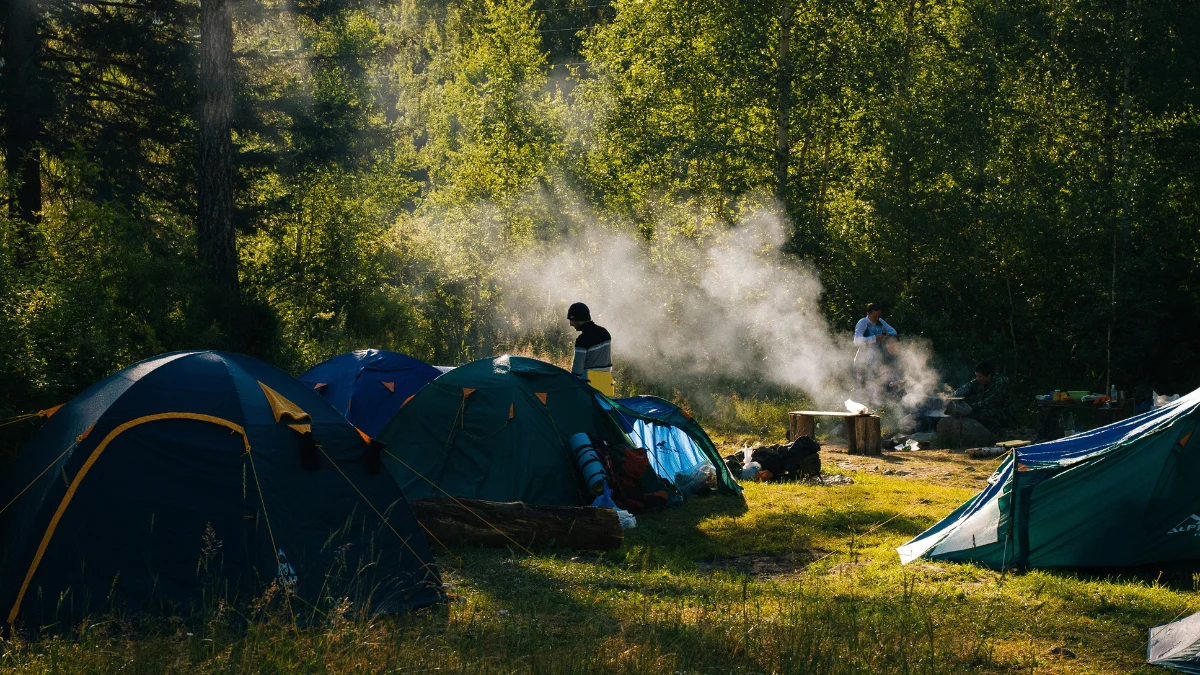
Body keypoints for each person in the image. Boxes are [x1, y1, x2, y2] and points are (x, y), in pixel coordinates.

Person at [852, 302, 898, 400]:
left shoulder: (880, 322)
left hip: (876, 361)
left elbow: (893, 332)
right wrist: (874, 338)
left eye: (878, 316)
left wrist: (885, 335)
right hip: (862, 361)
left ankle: (876, 406)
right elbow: (857, 341)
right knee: (861, 388)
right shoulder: (862, 323)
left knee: (876, 387)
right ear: (868, 313)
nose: (877, 319)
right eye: (874, 316)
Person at [952, 361, 1014, 432]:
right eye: (976, 376)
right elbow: (965, 388)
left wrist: (968, 407)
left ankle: (998, 431)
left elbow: (990, 401)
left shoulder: (1000, 383)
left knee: (977, 414)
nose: (977, 378)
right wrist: (951, 397)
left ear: (989, 375)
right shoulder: (980, 381)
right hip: (986, 409)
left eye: (980, 376)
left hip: (1003, 414)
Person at [568, 302, 614, 396]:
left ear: (580, 319)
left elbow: (577, 372)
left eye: (572, 320)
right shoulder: (605, 333)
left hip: (589, 388)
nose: (571, 324)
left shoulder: (583, 339)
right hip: (606, 386)